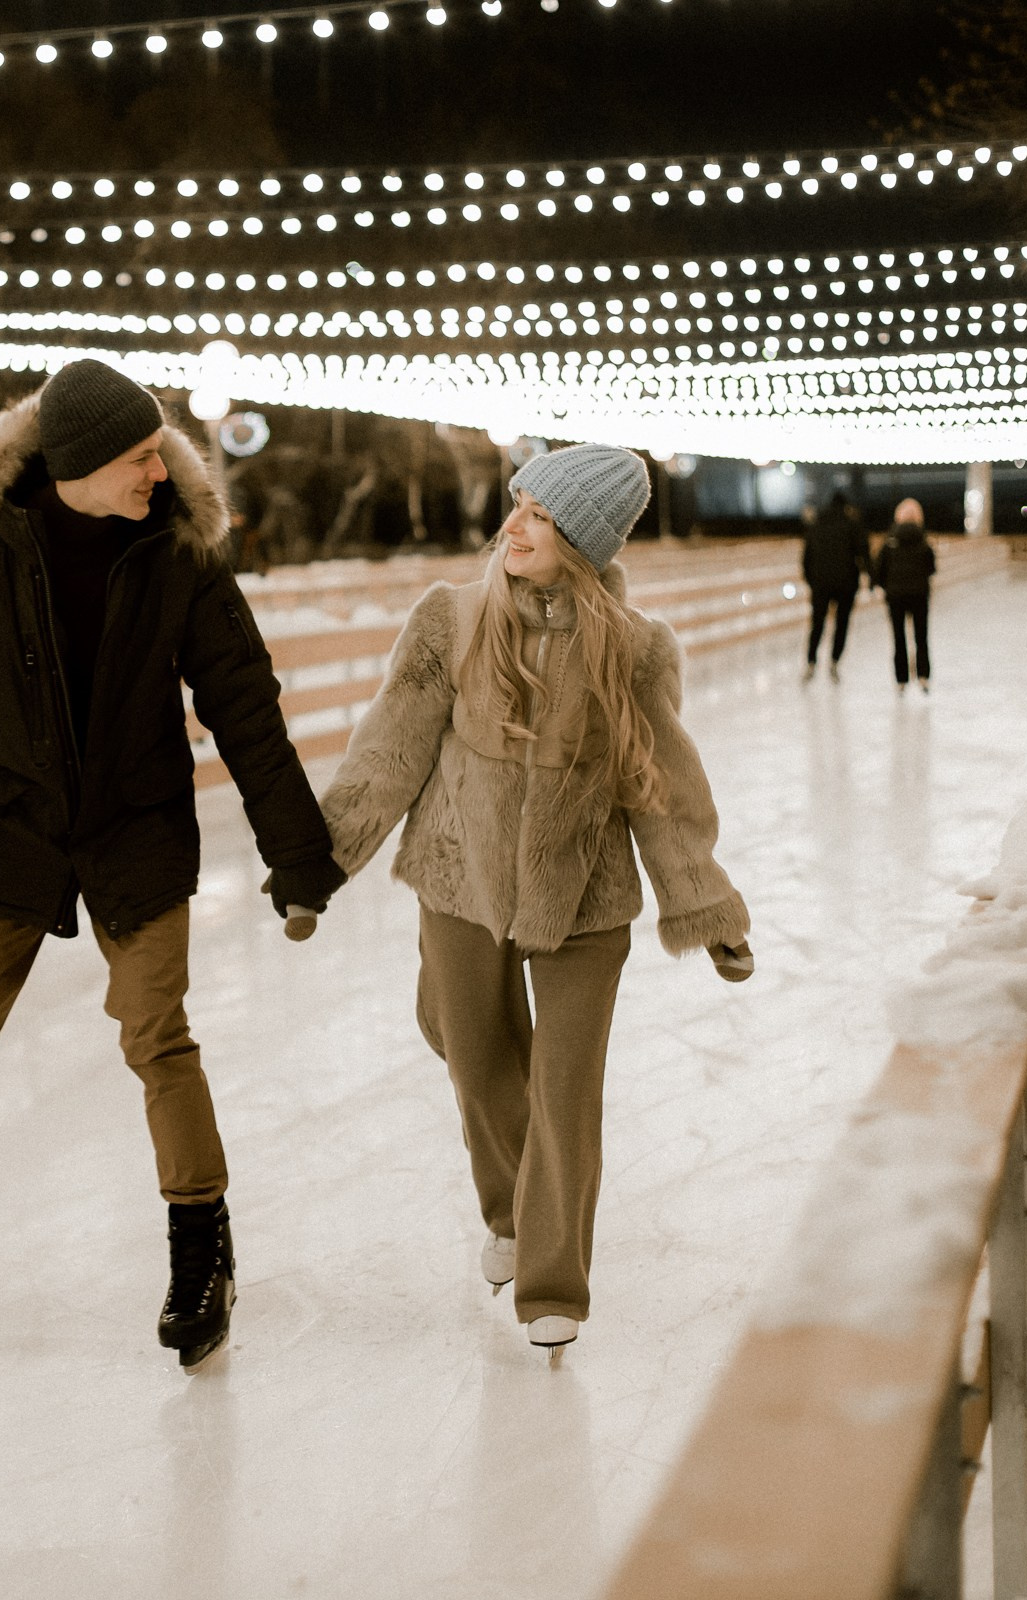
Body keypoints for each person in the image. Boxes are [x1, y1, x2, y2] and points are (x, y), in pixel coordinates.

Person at [0, 359, 346, 1371]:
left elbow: (246, 708)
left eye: (158, 454)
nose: (158, 474)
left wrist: (296, 853)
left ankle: (200, 1253)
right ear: (80, 464)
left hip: (136, 828)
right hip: (12, 827)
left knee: (157, 1034)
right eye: (139, 458)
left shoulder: (178, 553)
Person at [316, 444, 754, 1358]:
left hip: (584, 899)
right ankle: (508, 1210)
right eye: (518, 506)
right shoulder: (451, 620)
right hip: (458, 876)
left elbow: (660, 787)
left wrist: (705, 906)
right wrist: (323, 859)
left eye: (542, 517)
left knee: (565, 1089)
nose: (515, 526)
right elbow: (390, 746)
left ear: (585, 542)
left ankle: (552, 1280)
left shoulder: (633, 650)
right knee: (469, 1051)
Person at [801, 489, 871, 680]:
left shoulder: (817, 524)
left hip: (821, 583)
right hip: (846, 584)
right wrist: (871, 577)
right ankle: (834, 660)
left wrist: (811, 579)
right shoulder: (852, 524)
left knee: (817, 623)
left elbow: (807, 556)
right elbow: (863, 552)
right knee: (842, 623)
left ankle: (811, 660)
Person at [873, 498, 937, 692]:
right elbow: (931, 568)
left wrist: (886, 586)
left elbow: (879, 569)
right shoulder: (924, 541)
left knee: (898, 637)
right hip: (919, 594)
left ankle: (901, 679)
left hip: (895, 595)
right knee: (921, 636)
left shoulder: (890, 541)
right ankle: (923, 675)